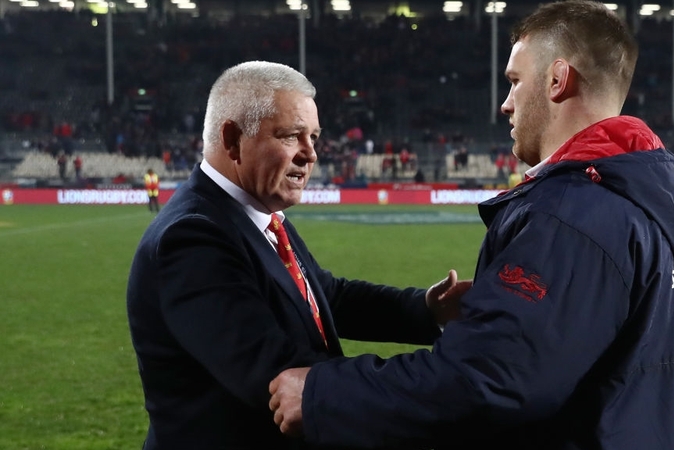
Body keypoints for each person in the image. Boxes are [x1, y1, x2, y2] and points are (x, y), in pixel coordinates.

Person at [268, 2, 674, 449]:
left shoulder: (571, 214)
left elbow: (488, 380)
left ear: (557, 80)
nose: (505, 103)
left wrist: (323, 392)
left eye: (515, 82)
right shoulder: (625, 199)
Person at [126, 60, 469, 450]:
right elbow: (279, 377)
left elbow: (325, 297)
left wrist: (428, 308)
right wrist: (439, 381)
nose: (311, 154)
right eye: (291, 136)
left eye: (315, 137)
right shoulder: (191, 239)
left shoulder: (257, 214)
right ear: (233, 138)